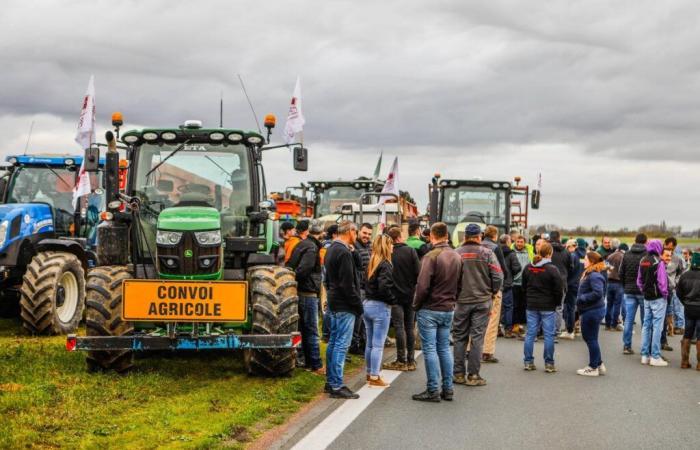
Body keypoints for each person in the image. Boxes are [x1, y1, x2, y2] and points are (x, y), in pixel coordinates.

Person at [412, 222, 462, 403]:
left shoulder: (431, 256)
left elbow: (422, 285)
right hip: (448, 308)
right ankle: (448, 389)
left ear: (432, 236)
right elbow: (460, 284)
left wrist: (416, 305)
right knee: (444, 348)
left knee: (430, 349)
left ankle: (432, 389)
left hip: (430, 308)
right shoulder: (457, 256)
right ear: (446, 235)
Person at [453, 224, 504, 387]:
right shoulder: (487, 253)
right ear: (479, 237)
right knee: (477, 338)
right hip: (482, 300)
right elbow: (498, 276)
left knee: (460, 337)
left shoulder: (456, 253)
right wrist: (493, 291)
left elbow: (449, 276)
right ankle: (473, 375)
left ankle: (458, 374)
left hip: (461, 301)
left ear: (465, 236)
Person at [324, 220, 363, 399]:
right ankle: (337, 384)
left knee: (333, 341)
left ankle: (330, 381)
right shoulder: (344, 253)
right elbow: (349, 284)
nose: (357, 237)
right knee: (342, 344)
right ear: (349, 231)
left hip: (334, 300)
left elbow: (328, 279)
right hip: (345, 304)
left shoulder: (331, 249)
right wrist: (358, 305)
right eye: (355, 233)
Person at [287, 220, 325, 374]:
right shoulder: (311, 247)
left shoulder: (301, 244)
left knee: (302, 329)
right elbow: (304, 269)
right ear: (320, 233)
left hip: (299, 291)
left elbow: (291, 265)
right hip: (307, 292)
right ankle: (316, 364)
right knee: (311, 329)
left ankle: (304, 361)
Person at [522, 242, 564, 373]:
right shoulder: (552, 269)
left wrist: (528, 299)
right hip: (548, 306)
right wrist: (557, 303)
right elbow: (559, 290)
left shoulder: (528, 267)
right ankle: (549, 363)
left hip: (532, 305)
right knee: (549, 335)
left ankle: (528, 362)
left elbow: (523, 286)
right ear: (550, 254)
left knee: (530, 334)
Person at [383, 227, 420, 371]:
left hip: (395, 296)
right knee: (409, 327)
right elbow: (418, 272)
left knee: (399, 327)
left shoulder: (389, 253)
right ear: (400, 236)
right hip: (410, 294)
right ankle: (411, 360)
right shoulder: (410, 251)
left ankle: (400, 359)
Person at [363, 234, 396, 387]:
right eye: (391, 244)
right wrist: (393, 301)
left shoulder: (371, 263)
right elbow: (384, 288)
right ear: (386, 246)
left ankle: (369, 373)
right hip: (380, 306)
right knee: (378, 344)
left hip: (367, 304)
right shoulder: (386, 264)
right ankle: (376, 376)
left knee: (370, 343)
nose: (393, 247)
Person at [637, 239, 669, 367]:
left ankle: (645, 355)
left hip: (647, 297)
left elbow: (639, 280)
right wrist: (665, 294)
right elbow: (662, 282)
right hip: (658, 298)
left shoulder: (642, 260)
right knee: (657, 326)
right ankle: (655, 356)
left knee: (646, 325)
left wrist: (643, 290)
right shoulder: (659, 262)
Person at [576, 252, 608, 376]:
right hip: (590, 310)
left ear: (592, 261)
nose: (583, 261)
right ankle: (598, 364)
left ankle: (593, 367)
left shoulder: (594, 275)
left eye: (585, 259)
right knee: (590, 338)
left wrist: (582, 298)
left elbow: (598, 293)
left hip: (592, 311)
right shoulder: (590, 273)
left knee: (590, 339)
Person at [480, 225, 506, 363]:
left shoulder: (476, 246)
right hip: (492, 289)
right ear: (495, 235)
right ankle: (487, 351)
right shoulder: (495, 248)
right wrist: (498, 288)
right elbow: (501, 270)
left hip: (476, 289)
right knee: (492, 320)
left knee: (474, 320)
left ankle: (468, 349)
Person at [620, 233, 648, 354]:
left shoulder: (627, 254)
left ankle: (627, 346)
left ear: (635, 241)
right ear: (645, 242)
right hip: (643, 291)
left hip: (629, 290)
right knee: (645, 322)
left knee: (628, 320)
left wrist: (625, 285)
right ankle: (644, 348)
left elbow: (621, 272)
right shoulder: (647, 256)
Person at [349, 223, 373, 355]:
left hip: (368, 287)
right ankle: (354, 344)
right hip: (358, 287)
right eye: (364, 233)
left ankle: (363, 343)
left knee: (365, 318)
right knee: (358, 317)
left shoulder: (370, 246)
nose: (367, 236)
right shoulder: (354, 246)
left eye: (369, 234)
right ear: (359, 232)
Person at [676, 250, 700, 370]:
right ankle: (699, 364)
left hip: (688, 308)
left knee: (687, 334)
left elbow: (678, 292)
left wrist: (685, 303)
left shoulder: (685, 275)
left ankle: (684, 362)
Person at [549, 230, 573, 334]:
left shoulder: (547, 250)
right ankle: (557, 330)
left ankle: (546, 329)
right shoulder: (566, 252)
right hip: (562, 282)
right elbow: (570, 267)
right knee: (559, 307)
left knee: (547, 306)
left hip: (548, 281)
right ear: (559, 237)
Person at [560, 238, 584, 339]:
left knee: (569, 308)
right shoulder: (582, 256)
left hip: (570, 284)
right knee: (573, 307)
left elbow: (569, 270)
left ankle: (569, 330)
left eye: (566, 247)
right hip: (579, 283)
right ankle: (573, 328)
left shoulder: (572, 256)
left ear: (570, 246)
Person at [499, 234, 522, 339]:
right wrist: (511, 275)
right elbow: (517, 267)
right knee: (508, 307)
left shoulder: (495, 252)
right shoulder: (511, 254)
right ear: (508, 242)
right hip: (507, 283)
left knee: (497, 308)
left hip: (496, 283)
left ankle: (497, 329)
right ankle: (508, 330)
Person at [321, 224, 339, 343]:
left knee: (329, 308)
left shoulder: (325, 246)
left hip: (326, 279)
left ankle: (326, 333)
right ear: (334, 235)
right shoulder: (330, 247)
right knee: (329, 308)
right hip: (329, 279)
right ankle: (326, 333)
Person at [664, 237, 685, 335]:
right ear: (664, 244)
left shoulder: (677, 258)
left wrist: (675, 281)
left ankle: (670, 328)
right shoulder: (659, 256)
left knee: (670, 309)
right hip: (659, 288)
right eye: (668, 248)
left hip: (670, 288)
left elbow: (681, 272)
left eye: (672, 249)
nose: (669, 251)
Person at [511, 235, 531, 337]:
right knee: (515, 305)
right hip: (514, 283)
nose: (519, 243)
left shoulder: (528, 252)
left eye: (521, 242)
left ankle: (521, 325)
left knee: (524, 305)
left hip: (525, 282)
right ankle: (515, 325)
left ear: (524, 243)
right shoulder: (512, 252)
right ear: (515, 242)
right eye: (518, 241)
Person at [605, 240, 626, 331]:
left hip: (609, 282)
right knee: (617, 305)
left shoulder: (610, 256)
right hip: (619, 283)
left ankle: (607, 324)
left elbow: (606, 268)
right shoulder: (623, 257)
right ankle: (614, 324)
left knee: (609, 305)